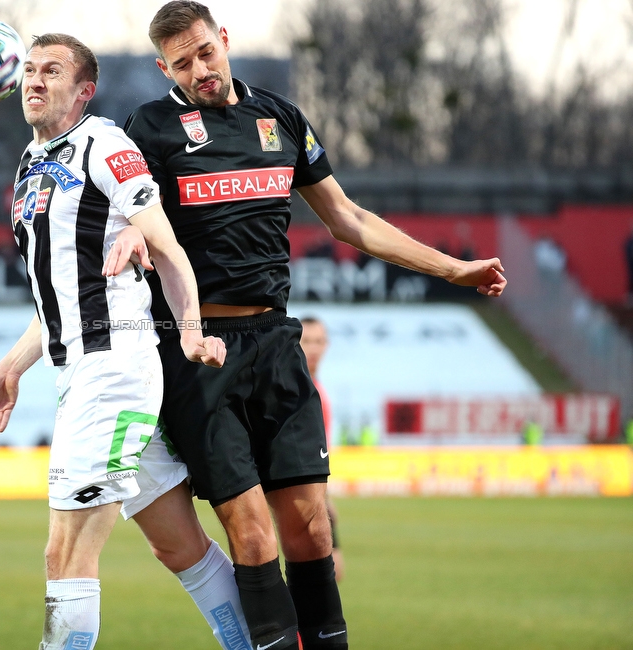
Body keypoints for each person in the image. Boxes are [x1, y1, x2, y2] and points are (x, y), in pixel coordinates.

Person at [122, 3, 507, 649]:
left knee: (312, 533)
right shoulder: (150, 128)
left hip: (276, 343)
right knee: (251, 534)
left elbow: (348, 219)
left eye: (205, 52)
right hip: (200, 352)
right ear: (165, 67)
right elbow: (133, 221)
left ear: (224, 40)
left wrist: (452, 269)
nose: (200, 70)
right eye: (182, 63)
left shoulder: (280, 118)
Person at [0, 33, 252, 650]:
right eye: (29, 70)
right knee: (177, 544)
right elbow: (58, 295)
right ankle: (263, 643)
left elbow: (167, 247)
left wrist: (191, 332)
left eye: (52, 71)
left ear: (84, 91)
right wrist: (13, 366)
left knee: (64, 552)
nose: (35, 80)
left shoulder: (103, 143)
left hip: (113, 369)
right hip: (80, 370)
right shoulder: (29, 165)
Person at [298, 317, 343, 582]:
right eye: (307, 341)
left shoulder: (317, 388)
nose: (314, 348)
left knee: (327, 576)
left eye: (319, 341)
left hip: (314, 492)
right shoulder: (295, 387)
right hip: (299, 496)